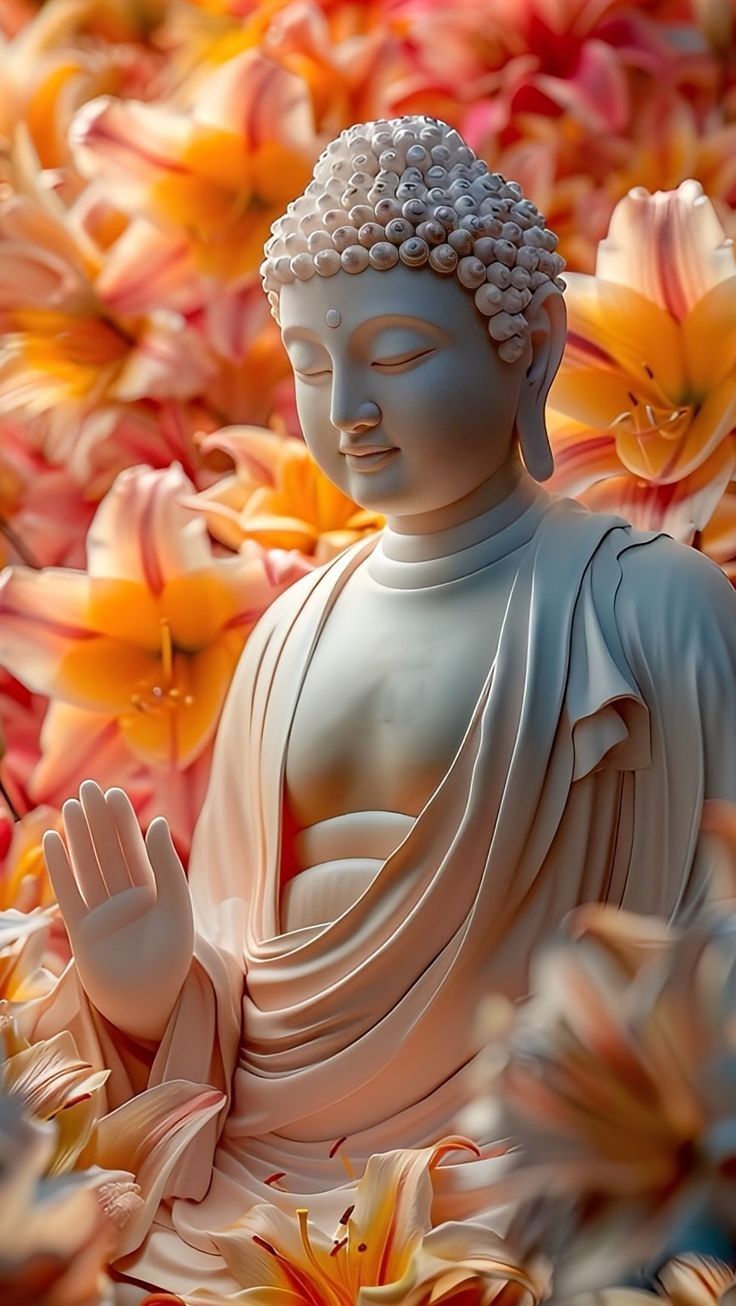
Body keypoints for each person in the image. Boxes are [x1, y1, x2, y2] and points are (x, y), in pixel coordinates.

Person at [25, 116, 736, 1299]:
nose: (347, 404)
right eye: (308, 363)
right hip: (265, 1195)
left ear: (533, 352)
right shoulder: (286, 632)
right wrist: (158, 995)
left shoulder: (648, 608)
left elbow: (715, 942)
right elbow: (245, 974)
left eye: (397, 353)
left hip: (532, 1183)